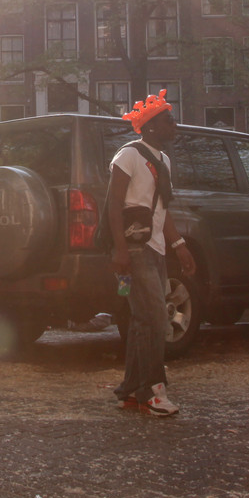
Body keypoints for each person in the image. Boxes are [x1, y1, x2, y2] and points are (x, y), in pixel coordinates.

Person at [108, 89, 196, 418]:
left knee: (143, 322)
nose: (174, 125)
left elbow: (163, 210)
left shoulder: (165, 161)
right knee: (157, 319)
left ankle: (130, 391)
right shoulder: (128, 155)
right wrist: (120, 249)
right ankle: (154, 392)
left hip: (156, 248)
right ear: (149, 127)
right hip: (135, 248)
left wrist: (179, 246)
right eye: (168, 120)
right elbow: (114, 206)